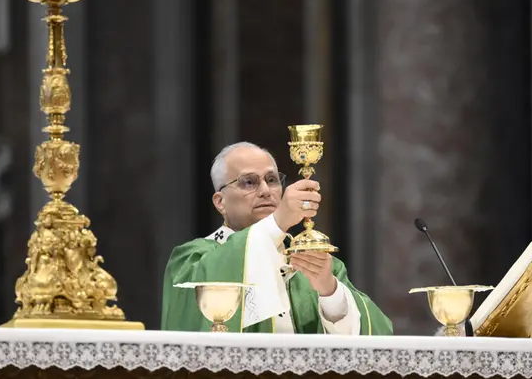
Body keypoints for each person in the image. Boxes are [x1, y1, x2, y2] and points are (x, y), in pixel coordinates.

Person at [161, 142, 392, 335]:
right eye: (249, 182)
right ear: (220, 202)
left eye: (272, 180)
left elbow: (378, 334)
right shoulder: (192, 260)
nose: (265, 190)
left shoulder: (309, 259)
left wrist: (329, 291)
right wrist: (278, 221)